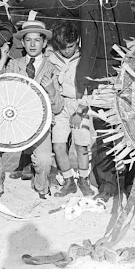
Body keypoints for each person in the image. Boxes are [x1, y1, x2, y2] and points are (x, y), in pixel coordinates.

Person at [0, 0, 135, 202]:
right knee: (102, 135)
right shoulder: (84, 1)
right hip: (98, 79)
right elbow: (53, 5)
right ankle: (107, 185)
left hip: (130, 74)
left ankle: (131, 183)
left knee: (134, 131)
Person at [0, 19, 64, 200]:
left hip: (38, 124)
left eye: (37, 40)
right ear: (23, 42)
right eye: (28, 40)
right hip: (13, 120)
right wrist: (3, 58)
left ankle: (41, 185)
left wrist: (50, 89)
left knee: (43, 159)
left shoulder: (52, 69)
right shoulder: (14, 64)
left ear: (44, 43)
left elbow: (58, 108)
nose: (33, 44)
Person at [47, 20, 95, 197]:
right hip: (60, 104)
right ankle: (68, 181)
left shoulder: (84, 57)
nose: (67, 50)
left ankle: (83, 179)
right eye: (63, 47)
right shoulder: (51, 58)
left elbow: (92, 87)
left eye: (71, 46)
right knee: (58, 145)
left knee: (81, 146)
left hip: (79, 103)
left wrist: (80, 110)